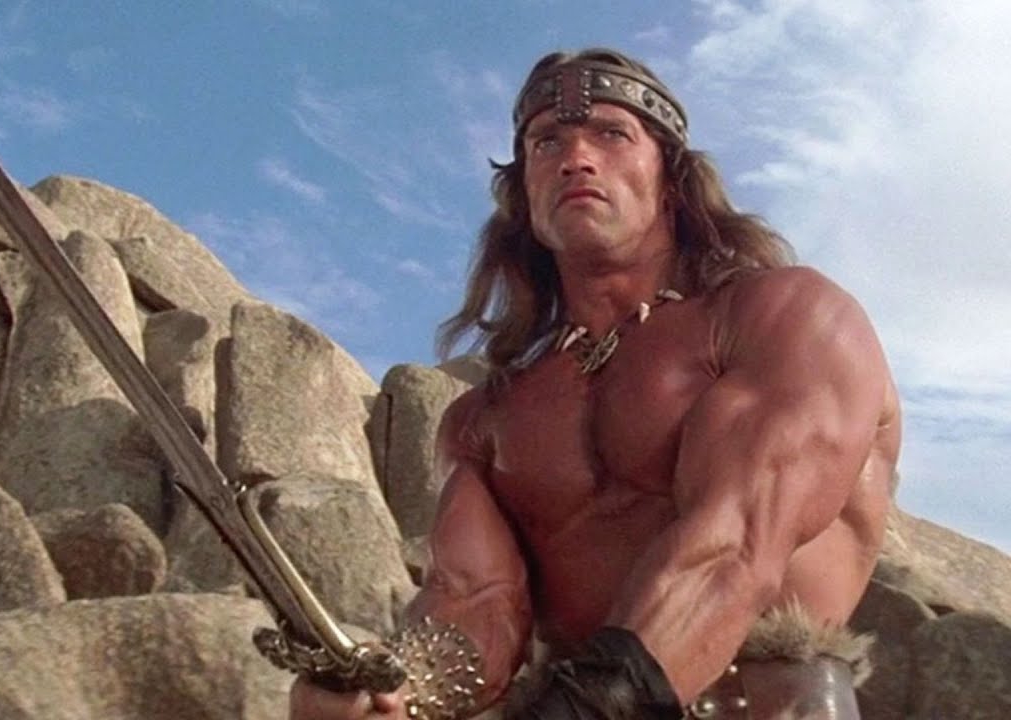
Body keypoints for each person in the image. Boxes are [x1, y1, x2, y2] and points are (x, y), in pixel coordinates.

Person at [286, 48, 900, 720]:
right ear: (525, 193)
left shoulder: (786, 318)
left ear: (670, 177)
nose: (576, 159)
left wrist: (594, 703)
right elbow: (475, 603)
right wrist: (397, 690)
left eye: (612, 134)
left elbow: (733, 547)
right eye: (547, 143)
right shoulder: (486, 418)